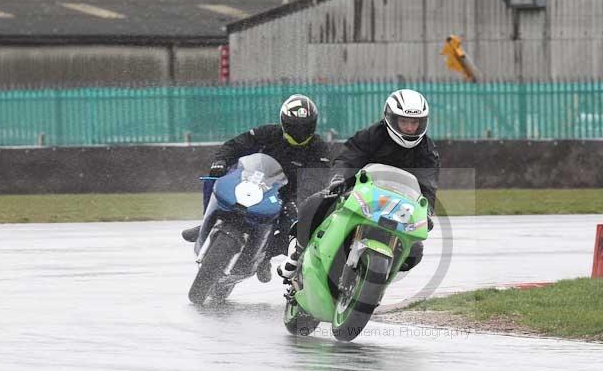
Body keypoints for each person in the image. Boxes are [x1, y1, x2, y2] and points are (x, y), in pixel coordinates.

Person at [277, 88, 440, 280]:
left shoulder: (427, 151)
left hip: (399, 205)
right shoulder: (372, 135)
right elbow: (349, 157)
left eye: (415, 122)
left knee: (415, 252)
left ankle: (379, 280)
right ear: (391, 118)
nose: (410, 128)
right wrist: (339, 178)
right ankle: (298, 252)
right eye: (405, 122)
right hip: (361, 191)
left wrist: (426, 211)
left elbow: (427, 186)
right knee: (314, 204)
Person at [181, 94, 330, 283]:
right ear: (285, 122)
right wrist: (221, 160)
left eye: (305, 126)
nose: (300, 131)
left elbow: (315, 181)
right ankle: (206, 222)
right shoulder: (267, 133)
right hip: (254, 182)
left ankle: (263, 257)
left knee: (292, 228)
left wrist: (299, 202)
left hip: (287, 196)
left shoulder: (318, 148)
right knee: (213, 178)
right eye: (295, 126)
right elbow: (235, 145)